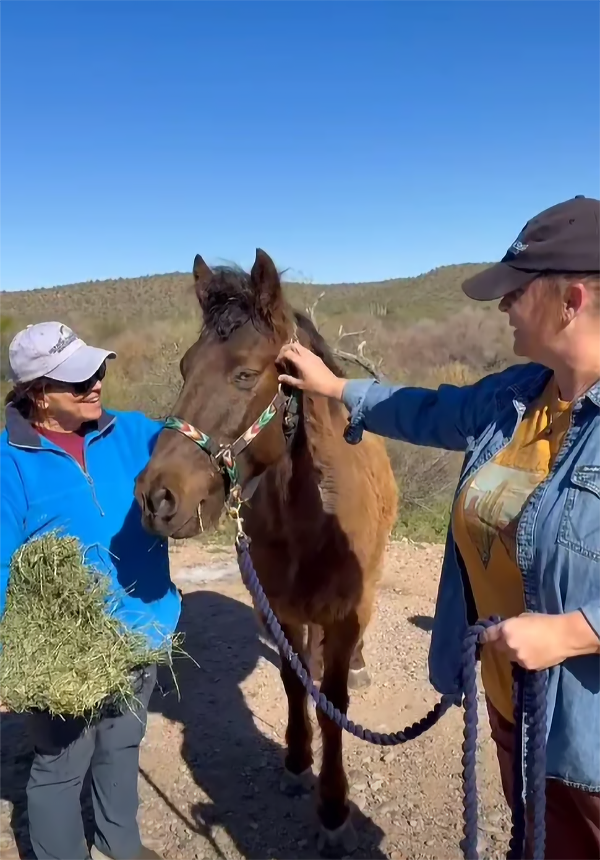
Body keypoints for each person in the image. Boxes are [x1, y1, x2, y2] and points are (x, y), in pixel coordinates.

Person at [277, 195, 600, 859]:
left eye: (515, 292)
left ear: (571, 301)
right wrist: (334, 387)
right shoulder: (515, 396)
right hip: (518, 710)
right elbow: (424, 409)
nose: (502, 304)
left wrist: (574, 632)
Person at [0, 321, 181, 860]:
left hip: (140, 629)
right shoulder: (9, 463)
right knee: (61, 766)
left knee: (121, 744)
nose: (96, 385)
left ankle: (119, 842)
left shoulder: (131, 432)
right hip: (64, 653)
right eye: (79, 381)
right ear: (39, 394)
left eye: (97, 371)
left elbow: (199, 447)